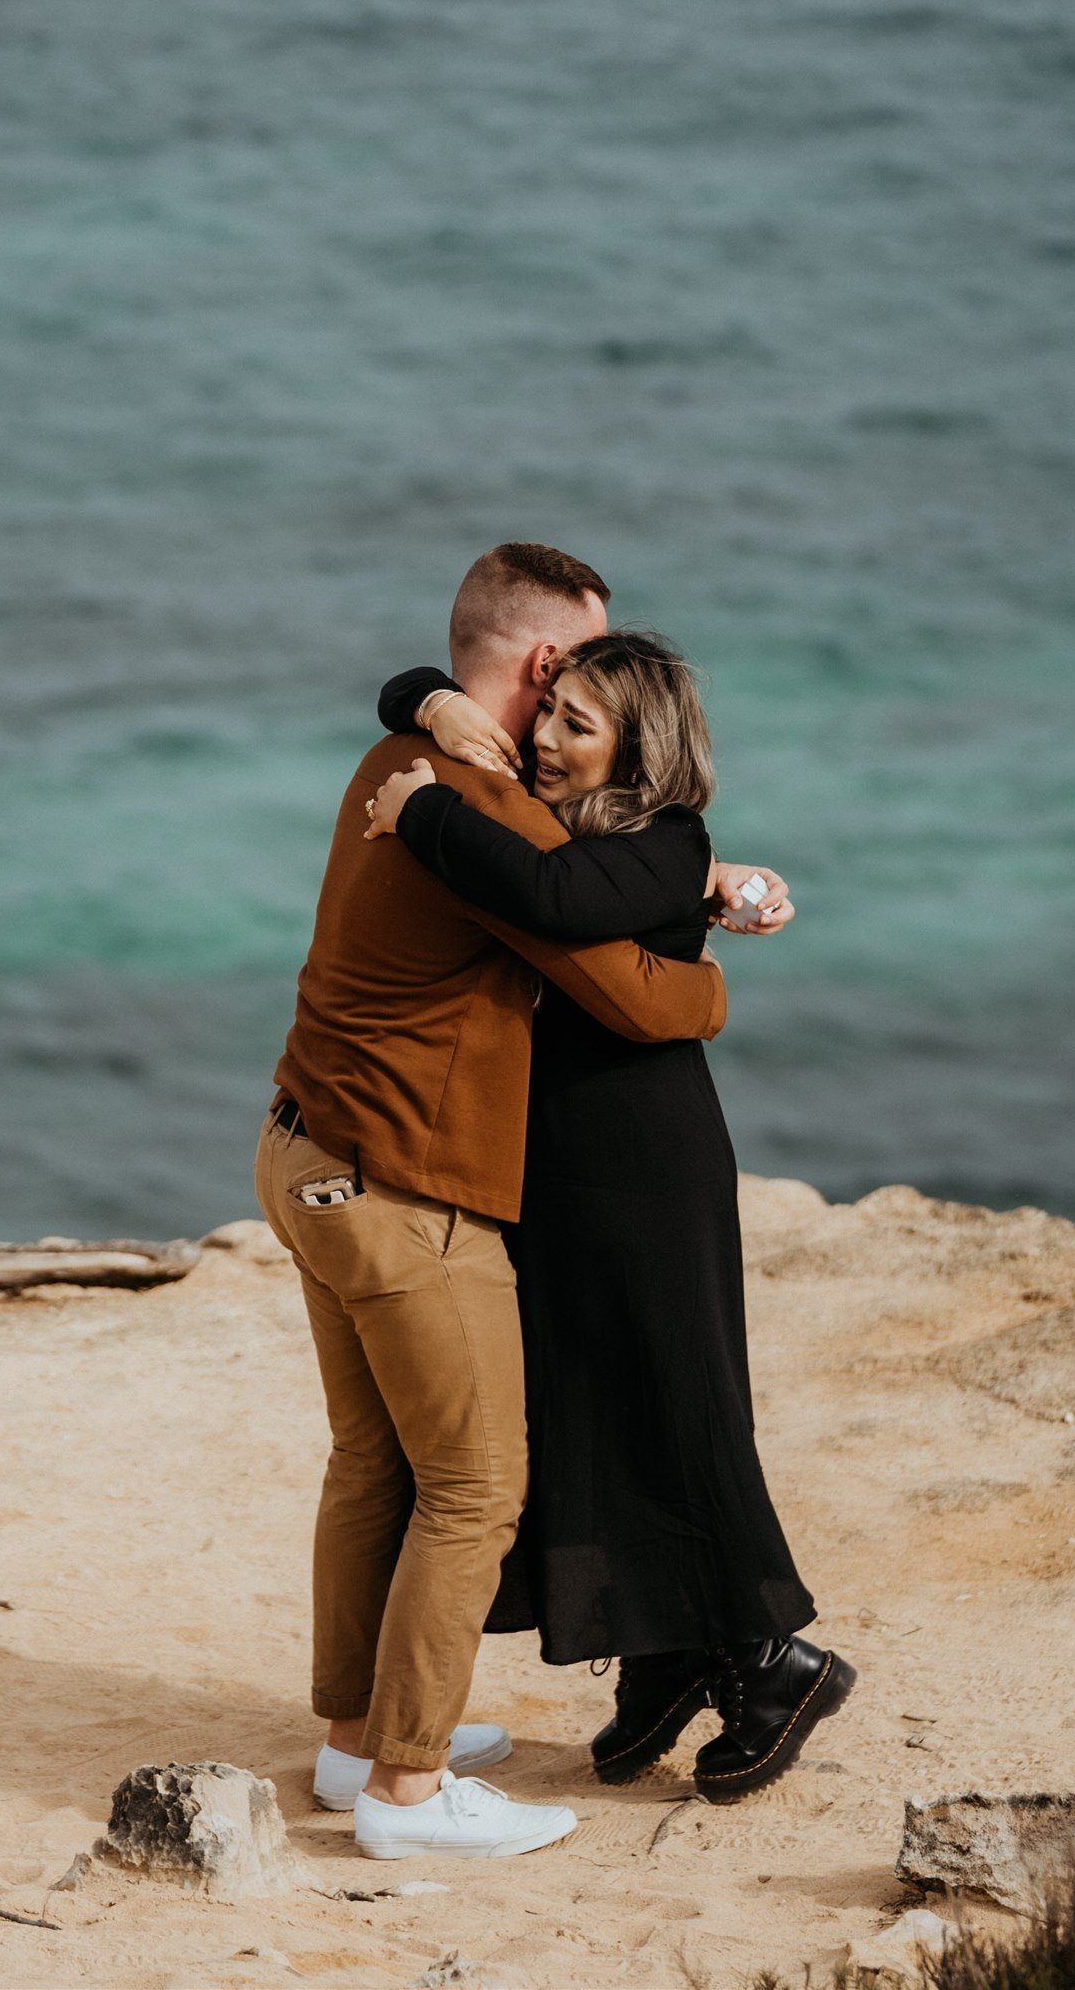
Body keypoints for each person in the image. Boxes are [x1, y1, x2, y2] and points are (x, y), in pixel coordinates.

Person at [254, 543, 729, 1860]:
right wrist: (712, 955)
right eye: (580, 670)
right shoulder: (481, 805)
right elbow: (631, 991)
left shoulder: (393, 763)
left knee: (376, 1463)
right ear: (539, 665)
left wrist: (419, 697)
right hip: (401, 1191)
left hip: (300, 1152)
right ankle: (407, 1790)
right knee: (471, 1485)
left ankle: (355, 1745)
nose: (588, 700)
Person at [366, 627, 856, 1803]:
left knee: (680, 1407)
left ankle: (774, 1657)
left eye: (576, 725)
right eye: (548, 713)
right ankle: (663, 1649)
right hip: (557, 1178)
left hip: (646, 1172)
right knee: (589, 1417)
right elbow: (396, 684)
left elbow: (543, 894)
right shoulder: (579, 824)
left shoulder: (665, 845)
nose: (543, 738)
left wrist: (421, 812)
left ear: (640, 753)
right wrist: (434, 706)